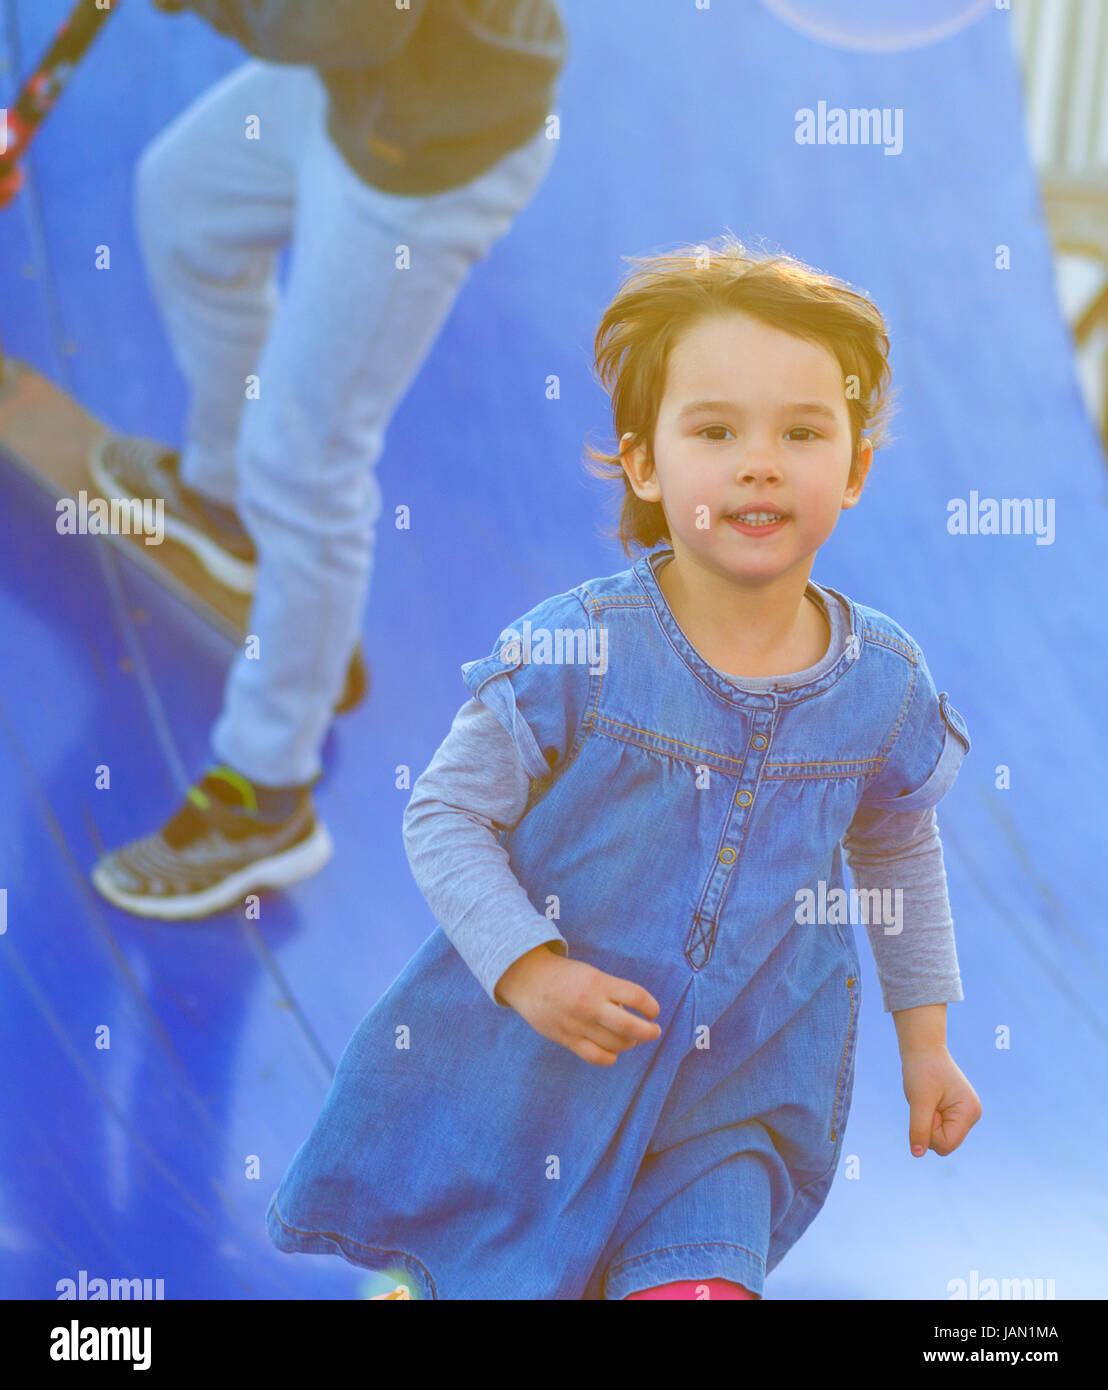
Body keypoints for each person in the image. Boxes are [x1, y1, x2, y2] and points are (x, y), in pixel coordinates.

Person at [264, 236, 984, 1300]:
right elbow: (447, 815)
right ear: (645, 462)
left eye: (801, 431)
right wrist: (530, 968)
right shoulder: (580, 649)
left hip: (732, 1096)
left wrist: (926, 1043)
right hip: (539, 1081)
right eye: (715, 430)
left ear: (855, 469)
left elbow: (896, 843)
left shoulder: (880, 684)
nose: (759, 461)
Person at [88, 0, 566, 919]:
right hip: (357, 96)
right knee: (185, 201)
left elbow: (341, 25)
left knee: (306, 466)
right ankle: (223, 502)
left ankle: (267, 791)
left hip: (427, 154)